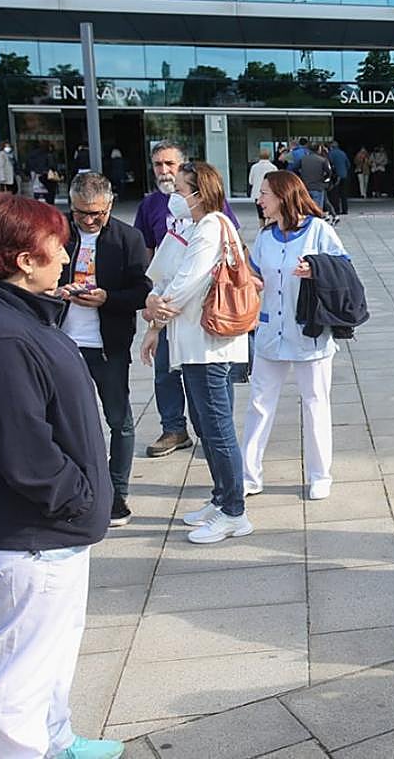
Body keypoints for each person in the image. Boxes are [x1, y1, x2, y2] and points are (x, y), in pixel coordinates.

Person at [0, 193, 124, 759]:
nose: (65, 256)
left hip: (53, 532)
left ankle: (56, 739)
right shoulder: (3, 336)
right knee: (19, 670)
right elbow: (24, 451)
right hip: (32, 535)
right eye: (55, 246)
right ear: (22, 258)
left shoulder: (20, 315)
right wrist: (77, 499)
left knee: (54, 651)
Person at [140, 162, 252, 544]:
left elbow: (183, 287)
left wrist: (155, 310)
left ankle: (235, 511)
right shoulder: (205, 226)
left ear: (198, 193)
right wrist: (157, 309)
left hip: (209, 346)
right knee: (208, 426)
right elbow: (173, 280)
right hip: (198, 345)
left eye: (181, 189)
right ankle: (221, 500)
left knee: (218, 431)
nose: (175, 196)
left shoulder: (210, 228)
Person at [243, 171, 347, 501]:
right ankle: (249, 476)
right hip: (270, 331)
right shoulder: (265, 236)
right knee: (258, 404)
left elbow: (344, 269)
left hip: (309, 332)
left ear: (283, 196)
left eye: (265, 194)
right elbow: (256, 275)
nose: (259, 200)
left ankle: (320, 474)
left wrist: (315, 269)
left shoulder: (319, 231)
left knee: (316, 404)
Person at [133, 141, 240, 459]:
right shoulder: (151, 205)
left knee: (207, 376)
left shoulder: (210, 214)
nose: (163, 171)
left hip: (200, 310)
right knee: (164, 369)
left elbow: (230, 247)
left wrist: (159, 310)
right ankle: (174, 429)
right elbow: (150, 255)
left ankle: (214, 434)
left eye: (170, 164)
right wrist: (149, 299)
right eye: (157, 165)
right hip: (168, 304)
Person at [57, 173, 151, 528]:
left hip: (108, 343)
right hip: (63, 340)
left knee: (119, 420)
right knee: (64, 418)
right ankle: (72, 489)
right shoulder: (59, 233)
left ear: (109, 205)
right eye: (82, 213)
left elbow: (142, 291)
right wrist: (56, 292)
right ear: (71, 205)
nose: (90, 220)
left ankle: (116, 493)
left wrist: (107, 298)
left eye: (97, 213)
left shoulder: (127, 238)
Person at [292, 142, 334, 220]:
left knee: (306, 208)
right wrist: (324, 180)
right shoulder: (322, 160)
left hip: (306, 187)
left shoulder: (303, 159)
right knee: (317, 209)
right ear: (319, 149)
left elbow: (294, 169)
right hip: (318, 187)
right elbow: (329, 173)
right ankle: (316, 225)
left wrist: (300, 177)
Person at [248, 148, 278, 221]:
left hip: (257, 194)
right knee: (270, 213)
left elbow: (250, 181)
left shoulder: (254, 167)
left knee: (260, 215)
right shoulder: (273, 167)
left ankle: (261, 228)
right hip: (270, 193)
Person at [328, 140, 351, 216]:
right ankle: (345, 210)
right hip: (344, 175)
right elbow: (348, 164)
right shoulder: (343, 153)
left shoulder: (331, 154)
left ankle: (337, 210)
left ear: (331, 147)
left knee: (335, 194)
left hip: (336, 176)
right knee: (344, 194)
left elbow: (329, 164)